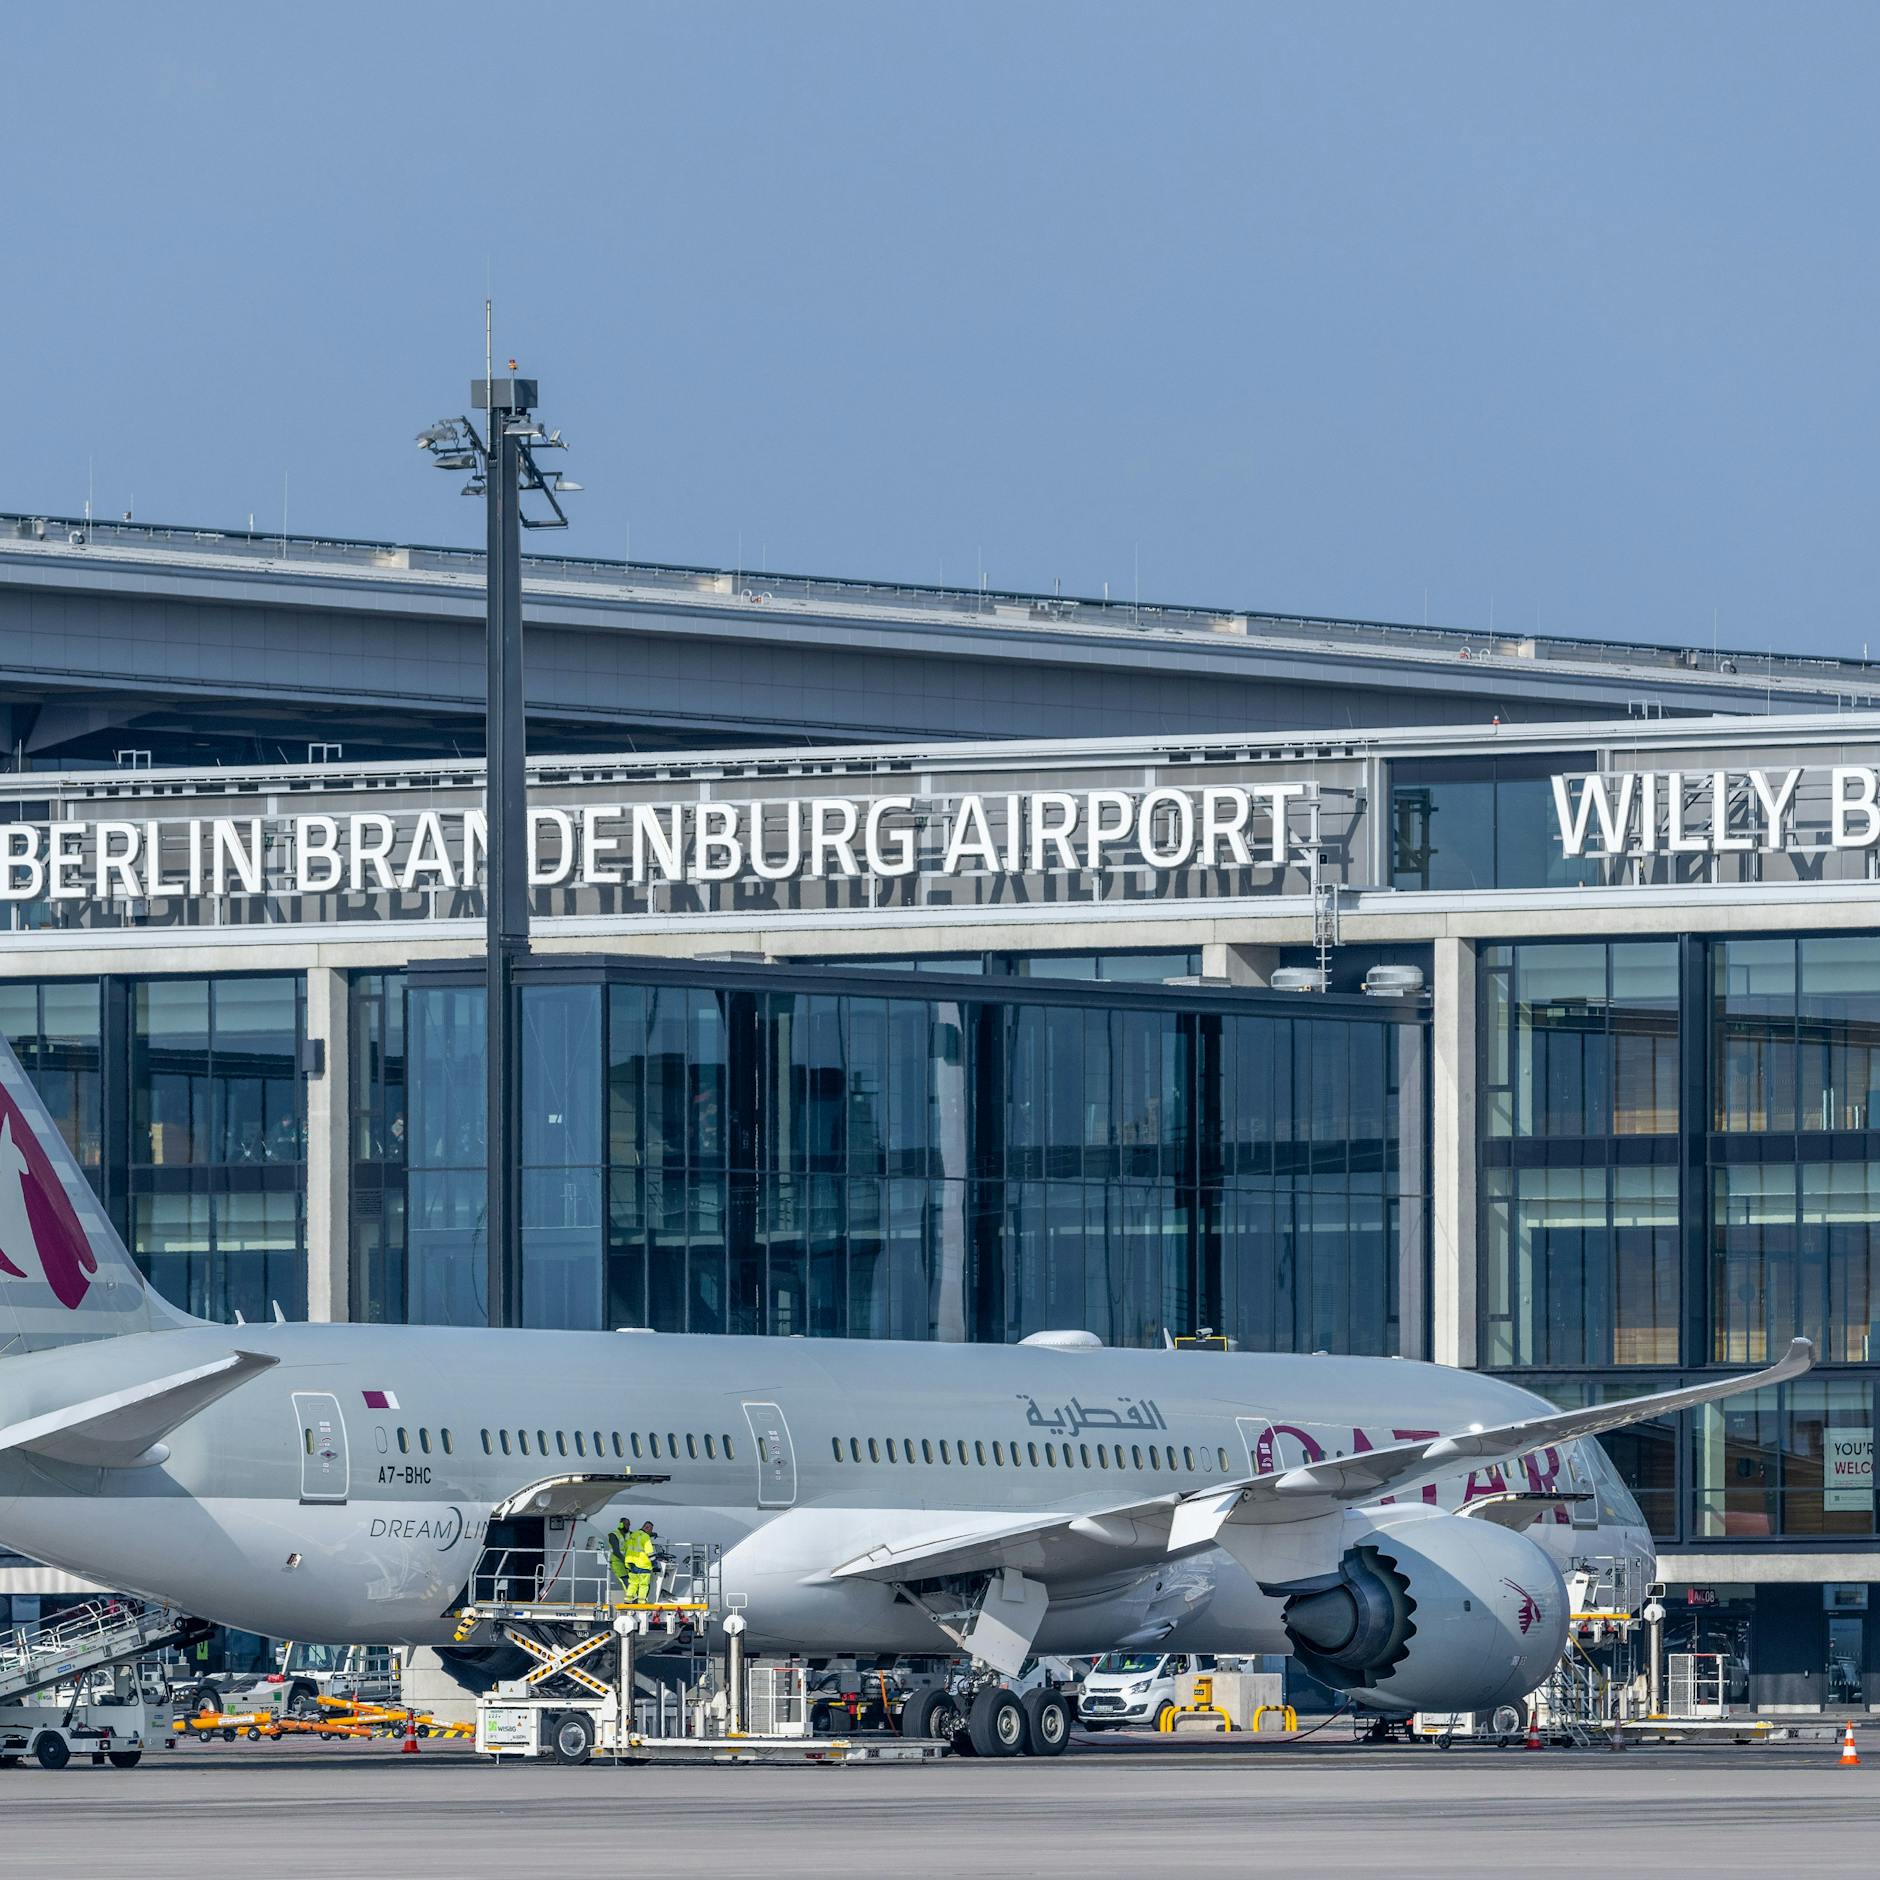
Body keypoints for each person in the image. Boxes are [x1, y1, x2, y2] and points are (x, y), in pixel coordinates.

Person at [607, 1518, 654, 1603]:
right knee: (626, 1580)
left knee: (633, 1581)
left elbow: (639, 1536)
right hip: (617, 1562)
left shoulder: (630, 1534)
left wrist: (651, 1534)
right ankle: (633, 1599)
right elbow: (616, 1551)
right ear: (621, 1524)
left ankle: (632, 1598)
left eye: (629, 1524)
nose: (628, 1526)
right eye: (626, 1524)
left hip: (628, 1562)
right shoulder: (613, 1535)